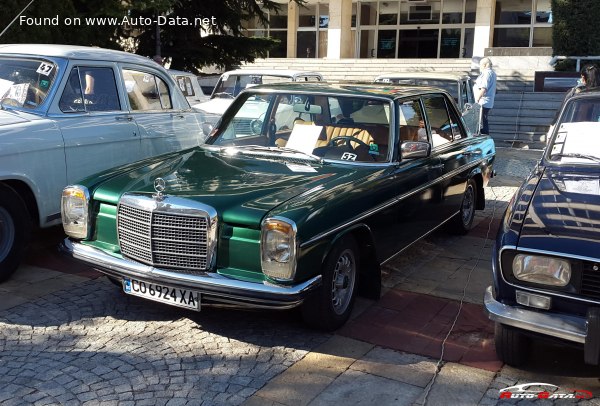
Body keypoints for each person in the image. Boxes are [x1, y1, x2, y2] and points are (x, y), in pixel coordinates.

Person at [474, 57, 497, 135]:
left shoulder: (486, 73)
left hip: (483, 101)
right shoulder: (492, 73)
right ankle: (485, 136)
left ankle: (485, 137)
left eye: (480, 64)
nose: (480, 66)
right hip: (487, 101)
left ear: (484, 65)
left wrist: (477, 100)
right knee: (483, 120)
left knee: (482, 121)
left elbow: (483, 88)